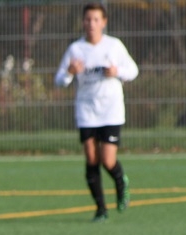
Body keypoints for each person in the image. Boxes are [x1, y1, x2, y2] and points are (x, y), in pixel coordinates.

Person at [55, 3, 139, 222]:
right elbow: (60, 80)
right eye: (87, 19)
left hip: (111, 111)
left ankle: (120, 182)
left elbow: (133, 70)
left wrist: (117, 71)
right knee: (91, 159)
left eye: (95, 19)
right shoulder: (76, 49)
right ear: (83, 22)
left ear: (104, 22)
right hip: (86, 112)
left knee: (108, 160)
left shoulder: (114, 46)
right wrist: (70, 72)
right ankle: (101, 209)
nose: (91, 23)